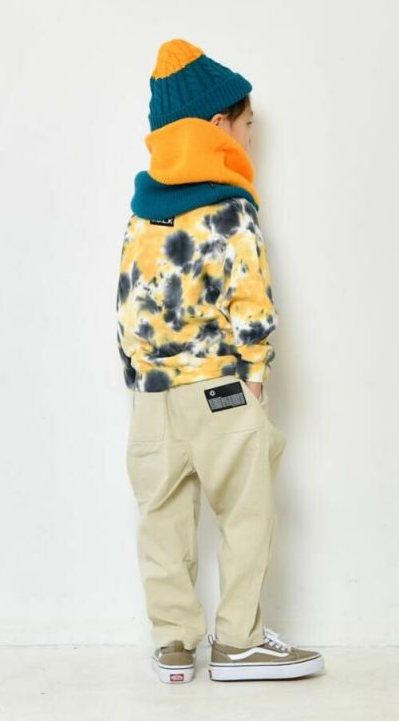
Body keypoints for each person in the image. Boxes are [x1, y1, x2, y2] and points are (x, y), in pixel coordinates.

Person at [116, 38, 324, 684]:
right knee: (246, 512)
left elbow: (130, 303)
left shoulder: (143, 211)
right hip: (219, 389)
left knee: (162, 518)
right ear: (217, 126)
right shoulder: (230, 208)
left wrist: (143, 378)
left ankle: (174, 645)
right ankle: (239, 642)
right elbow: (251, 302)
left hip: (152, 396)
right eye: (247, 126)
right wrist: (253, 377)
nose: (252, 140)